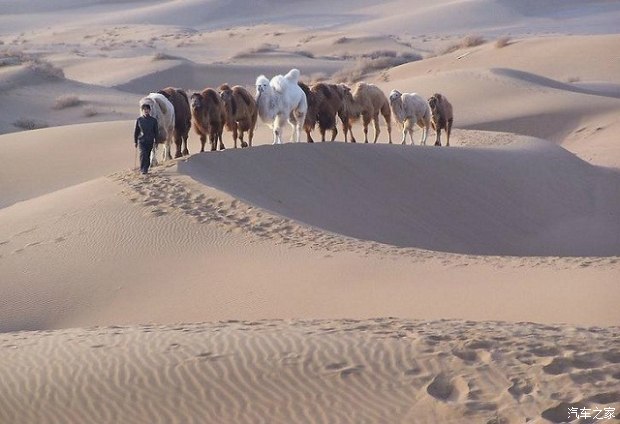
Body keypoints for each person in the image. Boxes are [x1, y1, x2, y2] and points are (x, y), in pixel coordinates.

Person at [133, 103, 159, 174]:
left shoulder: (153, 120)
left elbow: (156, 132)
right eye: (144, 109)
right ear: (142, 110)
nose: (146, 111)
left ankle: (146, 168)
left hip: (150, 141)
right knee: (143, 154)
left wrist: (156, 141)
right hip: (141, 140)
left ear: (149, 110)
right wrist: (135, 141)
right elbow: (136, 131)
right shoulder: (139, 120)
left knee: (147, 155)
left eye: (147, 109)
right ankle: (142, 169)